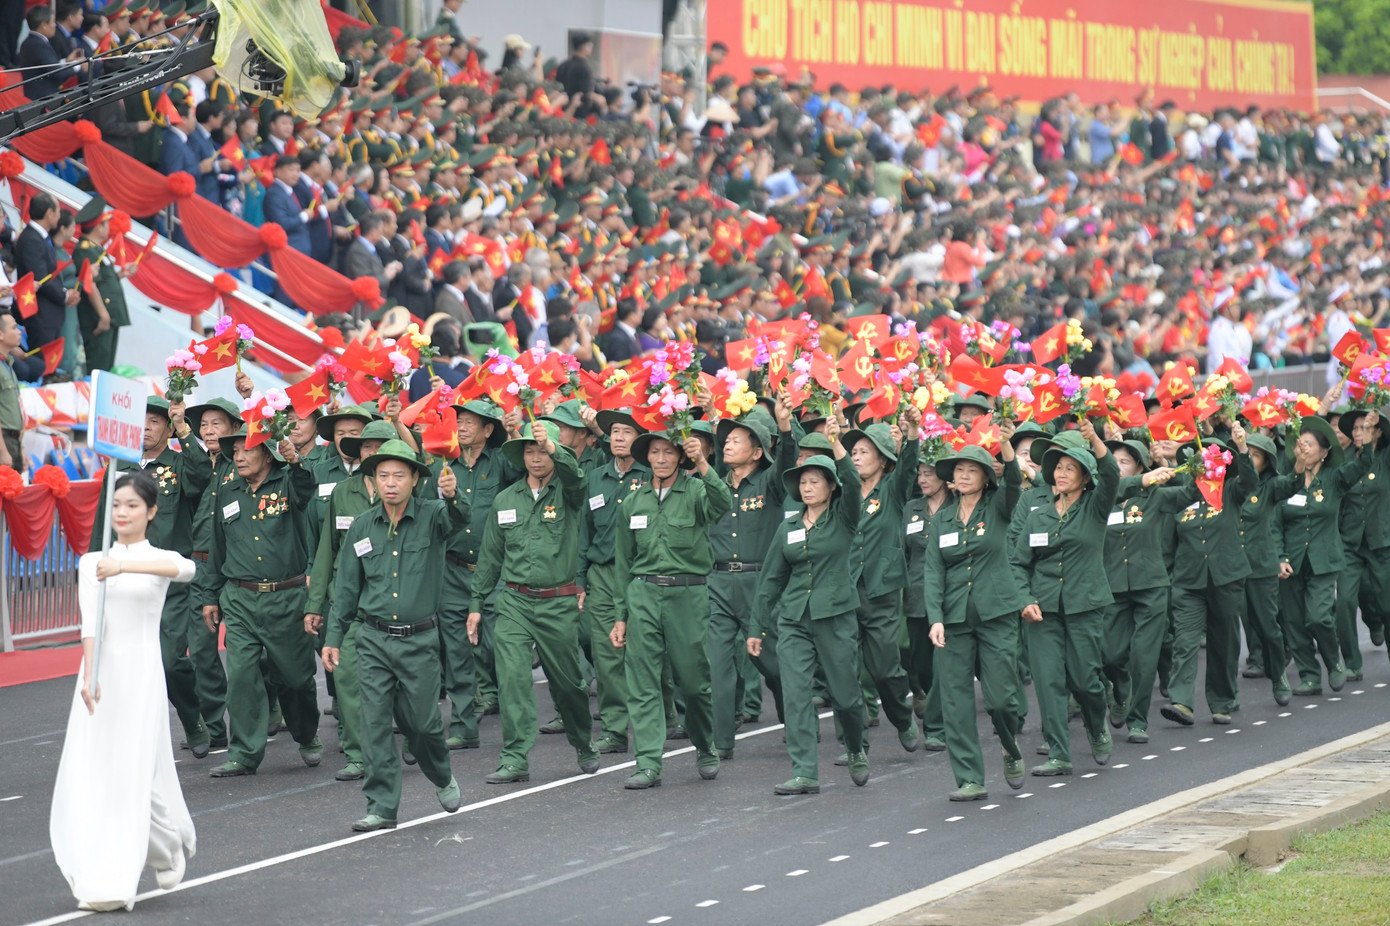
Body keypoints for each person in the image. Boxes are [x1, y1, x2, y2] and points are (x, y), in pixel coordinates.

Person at [51, 472, 197, 912]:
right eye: (117, 505)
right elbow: (89, 624)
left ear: (151, 512)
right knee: (99, 772)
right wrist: (90, 675)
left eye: (132, 505)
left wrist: (125, 564)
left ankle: (155, 852)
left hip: (143, 674)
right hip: (101, 676)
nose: (122, 513)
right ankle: (114, 869)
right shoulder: (91, 562)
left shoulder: (158, 558)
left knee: (137, 769)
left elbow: (186, 570)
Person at [324, 440, 467, 831]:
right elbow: (347, 589)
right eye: (382, 475)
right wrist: (333, 637)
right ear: (372, 481)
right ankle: (382, 805)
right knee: (373, 725)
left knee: (422, 725)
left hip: (419, 641)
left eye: (399, 475)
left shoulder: (433, 515)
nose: (390, 483)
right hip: (372, 639)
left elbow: (457, 520)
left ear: (416, 479)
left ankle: (441, 774)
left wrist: (452, 496)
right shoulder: (361, 527)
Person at [468, 420, 601, 783]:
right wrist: (477, 603)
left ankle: (582, 739)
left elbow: (576, 477)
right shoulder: (505, 500)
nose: (536, 457)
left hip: (558, 604)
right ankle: (515, 758)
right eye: (530, 450)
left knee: (569, 684)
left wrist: (557, 449)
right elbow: (490, 556)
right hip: (514, 601)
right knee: (511, 678)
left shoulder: (569, 492)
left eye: (542, 450)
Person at [750, 414, 868, 794]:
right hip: (795, 620)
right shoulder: (789, 527)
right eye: (803, 481)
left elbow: (852, 483)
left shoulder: (845, 518)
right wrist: (757, 627)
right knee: (797, 695)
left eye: (816, 480)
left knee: (847, 696)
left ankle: (855, 746)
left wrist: (836, 444)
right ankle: (804, 771)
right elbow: (771, 579)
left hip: (835, 617)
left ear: (831, 487)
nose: (808, 487)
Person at [90, 396, 213, 756]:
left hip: (169, 579)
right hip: (125, 576)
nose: (145, 427)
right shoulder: (121, 467)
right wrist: (94, 563)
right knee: (124, 662)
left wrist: (186, 431)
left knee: (172, 660)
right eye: (140, 421)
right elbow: (103, 520)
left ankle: (193, 720)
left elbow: (203, 480)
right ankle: (134, 737)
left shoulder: (181, 463)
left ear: (169, 428)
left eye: (155, 422)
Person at [610, 428, 733, 789]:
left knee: (694, 684)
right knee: (643, 681)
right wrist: (621, 616)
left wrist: (704, 463)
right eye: (654, 453)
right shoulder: (633, 501)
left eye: (668, 452)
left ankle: (704, 743)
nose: (661, 459)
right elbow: (623, 563)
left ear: (681, 457)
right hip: (643, 593)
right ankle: (648, 762)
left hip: (687, 595)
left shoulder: (696, 491)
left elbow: (722, 502)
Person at [200, 426, 323, 778]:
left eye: (246, 450)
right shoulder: (227, 492)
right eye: (234, 451)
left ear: (267, 454)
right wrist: (211, 595)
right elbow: (217, 546)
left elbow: (306, 486)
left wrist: (295, 460)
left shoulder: (289, 483)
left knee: (296, 679)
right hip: (239, 598)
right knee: (240, 675)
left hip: (286, 597)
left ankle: (305, 732)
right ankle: (244, 754)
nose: (237, 456)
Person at [923, 432, 1029, 801]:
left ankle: (1009, 744)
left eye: (973, 470)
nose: (965, 476)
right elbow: (933, 571)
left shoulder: (998, 506)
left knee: (1001, 700)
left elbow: (1014, 482)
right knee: (955, 702)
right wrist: (935, 616)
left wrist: (1007, 448)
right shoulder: (942, 518)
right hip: (952, 619)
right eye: (959, 470)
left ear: (987, 477)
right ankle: (970, 778)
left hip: (996, 612)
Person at [1011, 417, 1117, 776]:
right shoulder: (1037, 511)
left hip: (1085, 604)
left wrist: (1097, 442)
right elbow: (1018, 561)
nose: (1061, 472)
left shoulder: (1095, 506)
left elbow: (1113, 475)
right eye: (1058, 467)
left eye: (1071, 468)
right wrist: (1024, 599)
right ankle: (1059, 752)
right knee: (1048, 681)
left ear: (1086, 478)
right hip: (1042, 609)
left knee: (1086, 680)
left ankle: (1096, 724)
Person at [305, 418, 395, 781]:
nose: (371, 453)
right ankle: (359, 754)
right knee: (347, 680)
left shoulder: (408, 491)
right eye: (366, 448)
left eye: (378, 446)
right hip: (348, 602)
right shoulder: (342, 491)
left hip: (393, 599)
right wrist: (314, 605)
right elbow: (327, 549)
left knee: (400, 685)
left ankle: (410, 738)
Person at [706, 398, 795, 759]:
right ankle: (721, 742)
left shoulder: (770, 483)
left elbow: (787, 462)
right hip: (718, 584)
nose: (727, 444)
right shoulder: (714, 483)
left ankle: (797, 723)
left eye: (737, 440)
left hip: (760, 586)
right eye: (725, 440)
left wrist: (785, 427)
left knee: (772, 664)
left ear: (757, 452)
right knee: (717, 664)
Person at [1275, 414, 1386, 696]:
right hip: (1291, 562)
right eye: (1300, 444)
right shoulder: (1287, 482)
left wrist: (1370, 433)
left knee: (1318, 617)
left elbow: (1362, 464)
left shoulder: (1335, 478)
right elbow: (1273, 523)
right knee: (1295, 623)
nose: (1303, 448)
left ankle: (1334, 660)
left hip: (1324, 561)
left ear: (1324, 452)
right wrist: (1280, 556)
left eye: (1310, 444)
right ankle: (1310, 676)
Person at [430, 398, 519, 743]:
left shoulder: (500, 461)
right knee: (456, 651)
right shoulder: (443, 462)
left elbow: (527, 467)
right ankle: (465, 727)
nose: (462, 426)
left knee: (499, 644)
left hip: (495, 569)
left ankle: (514, 721)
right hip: (452, 570)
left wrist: (514, 430)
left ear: (487, 430)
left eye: (470, 422)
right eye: (459, 420)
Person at [1160, 425, 1257, 727]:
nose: (1207, 466)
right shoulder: (1183, 497)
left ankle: (1222, 700)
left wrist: (1241, 448)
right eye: (1200, 461)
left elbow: (1250, 481)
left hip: (1226, 578)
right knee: (1185, 641)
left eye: (1212, 460)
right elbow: (1168, 542)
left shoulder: (1231, 490)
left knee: (1223, 641)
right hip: (1189, 582)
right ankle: (1182, 701)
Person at [842, 410, 922, 755]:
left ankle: (902, 717)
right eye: (854, 452)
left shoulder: (893, 490)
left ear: (883, 461)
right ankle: (854, 743)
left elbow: (908, 469)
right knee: (843, 670)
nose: (857, 457)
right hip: (844, 589)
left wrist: (912, 434)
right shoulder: (843, 490)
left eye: (865, 452)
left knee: (885, 669)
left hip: (881, 589)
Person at [1100, 437, 1182, 744]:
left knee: (1144, 658)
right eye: (1113, 462)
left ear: (1138, 467)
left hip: (1151, 585)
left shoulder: (1155, 496)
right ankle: (1120, 691)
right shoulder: (1100, 498)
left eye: (1125, 462)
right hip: (1113, 585)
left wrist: (1170, 466)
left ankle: (1137, 719)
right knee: (1109, 654)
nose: (1118, 468)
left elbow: (1188, 492)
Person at [578, 407, 649, 755]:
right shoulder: (595, 477)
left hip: (641, 573)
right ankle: (615, 730)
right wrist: (580, 580)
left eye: (627, 432)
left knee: (649, 652)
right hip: (602, 574)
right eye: (615, 432)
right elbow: (583, 533)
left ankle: (667, 717)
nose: (619, 438)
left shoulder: (652, 475)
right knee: (606, 656)